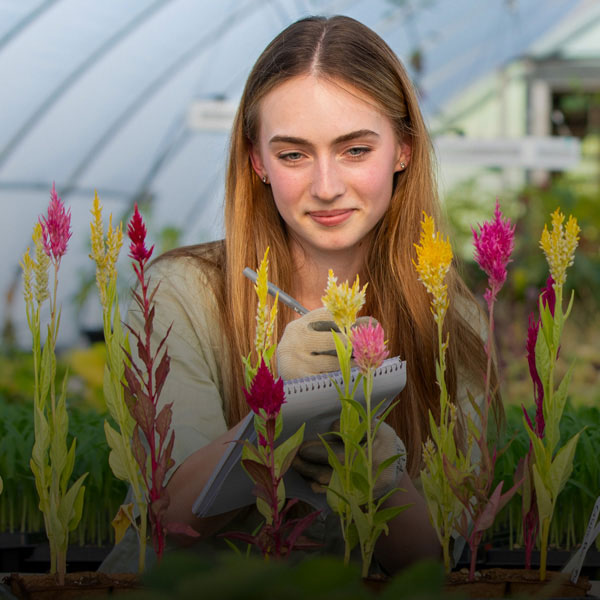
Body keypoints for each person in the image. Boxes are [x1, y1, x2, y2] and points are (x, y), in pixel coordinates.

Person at [101, 14, 491, 575]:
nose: (327, 186)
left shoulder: (452, 317)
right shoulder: (181, 293)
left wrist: (379, 471)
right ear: (257, 160)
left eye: (355, 150)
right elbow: (168, 521)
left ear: (403, 150)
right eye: (293, 155)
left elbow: (435, 565)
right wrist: (275, 413)